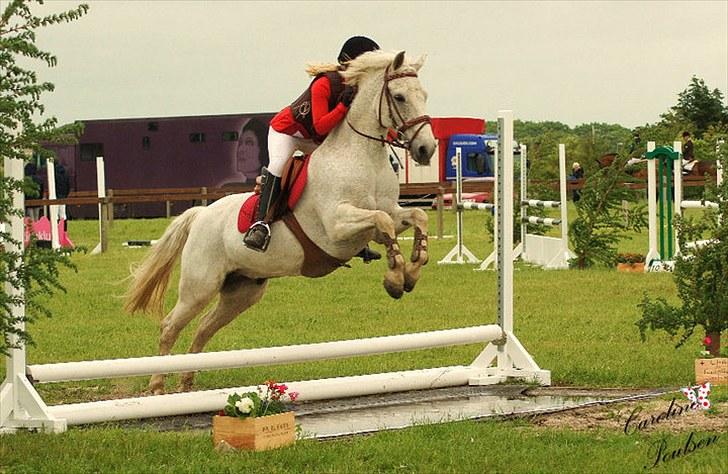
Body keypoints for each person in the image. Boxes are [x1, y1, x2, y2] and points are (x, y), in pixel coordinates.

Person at [244, 36, 382, 262]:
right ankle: (261, 224)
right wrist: (342, 107)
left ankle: (356, 238)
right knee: (278, 165)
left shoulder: (357, 89)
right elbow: (320, 126)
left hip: (313, 139)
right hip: (288, 132)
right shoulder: (324, 83)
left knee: (338, 172)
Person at [219, 118, 269, 186]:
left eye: (249, 143)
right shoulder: (228, 188)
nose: (240, 149)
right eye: (240, 143)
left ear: (263, 150)